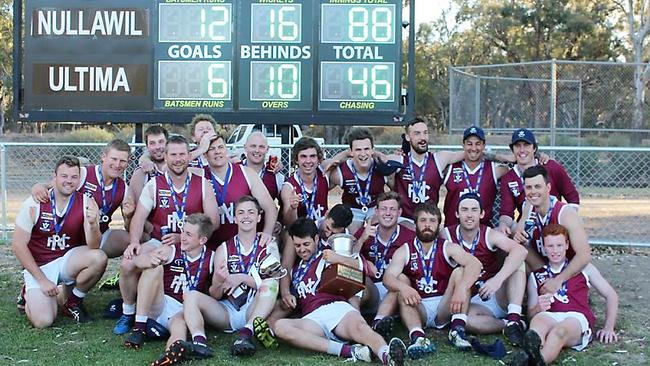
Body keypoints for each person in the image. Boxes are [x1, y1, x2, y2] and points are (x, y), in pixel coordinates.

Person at [113, 135, 219, 335]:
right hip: (159, 241)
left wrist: (183, 237)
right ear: (166, 156)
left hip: (190, 242)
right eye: (173, 154)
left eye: (182, 154)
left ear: (189, 156)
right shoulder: (155, 184)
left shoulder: (202, 183)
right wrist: (134, 242)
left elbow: (213, 221)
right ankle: (128, 312)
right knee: (128, 263)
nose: (178, 159)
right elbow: (138, 217)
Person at [272, 218, 407, 366]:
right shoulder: (295, 269)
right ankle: (349, 351)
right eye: (297, 245)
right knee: (281, 326)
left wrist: (339, 258)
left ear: (316, 239)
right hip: (312, 318)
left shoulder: (327, 255)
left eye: (306, 244)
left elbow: (362, 268)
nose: (302, 249)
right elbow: (284, 273)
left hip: (336, 308)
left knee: (360, 328)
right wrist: (287, 294)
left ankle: (386, 354)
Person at [178, 196, 281, 359]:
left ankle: (246, 335)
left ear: (259, 217)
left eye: (250, 212)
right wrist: (219, 281)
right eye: (241, 212)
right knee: (190, 295)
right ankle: (199, 342)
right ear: (234, 218)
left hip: (255, 309)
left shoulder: (268, 245)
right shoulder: (224, 249)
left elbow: (275, 282)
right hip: (228, 311)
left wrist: (241, 278)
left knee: (271, 284)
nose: (246, 216)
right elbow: (215, 294)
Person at [12, 156, 106, 327]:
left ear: (79, 180)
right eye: (64, 176)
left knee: (99, 257)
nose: (68, 181)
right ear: (54, 177)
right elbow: (18, 245)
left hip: (66, 260)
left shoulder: (86, 202)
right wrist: (41, 280)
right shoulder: (35, 203)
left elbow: (94, 246)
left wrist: (93, 225)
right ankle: (28, 292)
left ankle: (72, 301)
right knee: (44, 321)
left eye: (73, 177)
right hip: (40, 265)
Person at [383, 202, 482, 359]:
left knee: (461, 272)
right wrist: (405, 288)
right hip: (419, 304)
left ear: (438, 225)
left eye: (432, 221)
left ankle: (457, 331)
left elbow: (475, 264)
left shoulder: (448, 246)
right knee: (400, 282)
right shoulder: (405, 249)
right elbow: (387, 277)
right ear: (415, 224)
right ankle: (419, 338)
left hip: (446, 304)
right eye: (423, 220)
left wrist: (462, 289)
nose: (427, 225)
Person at [509, 224, 618, 366]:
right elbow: (531, 314)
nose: (555, 251)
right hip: (550, 315)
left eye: (559, 245)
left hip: (576, 317)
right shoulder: (537, 276)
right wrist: (538, 308)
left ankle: (534, 361)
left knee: (558, 332)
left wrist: (608, 328)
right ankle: (532, 353)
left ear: (567, 245)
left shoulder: (583, 268)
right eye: (550, 246)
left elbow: (611, 295)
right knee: (538, 324)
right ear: (543, 247)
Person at [442, 193, 528, 345]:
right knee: (468, 322)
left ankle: (514, 317)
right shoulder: (446, 235)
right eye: (465, 210)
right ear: (456, 213)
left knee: (517, 262)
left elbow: (521, 251)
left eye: (474, 210)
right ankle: (509, 325)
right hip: (472, 300)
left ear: (482, 213)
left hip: (496, 293)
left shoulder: (489, 234)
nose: (469, 215)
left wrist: (497, 280)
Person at [122, 213, 215, 351]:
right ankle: (139, 328)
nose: (182, 237)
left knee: (180, 328)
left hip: (183, 310)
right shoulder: (171, 250)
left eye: (188, 234)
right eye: (183, 231)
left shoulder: (211, 257)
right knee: (153, 268)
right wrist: (148, 261)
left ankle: (171, 353)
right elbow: (138, 260)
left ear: (202, 240)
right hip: (160, 303)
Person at [31, 139, 134, 258]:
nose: (117, 165)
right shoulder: (84, 174)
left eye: (122, 161)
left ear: (128, 162)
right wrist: (38, 186)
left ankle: (120, 273)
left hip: (98, 235)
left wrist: (129, 216)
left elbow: (128, 227)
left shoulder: (124, 188)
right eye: (114, 159)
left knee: (131, 240)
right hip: (71, 235)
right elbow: (53, 185)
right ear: (103, 157)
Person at [513, 165, 591, 294]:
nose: (533, 192)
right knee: (512, 251)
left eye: (538, 186)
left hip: (566, 268)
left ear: (548, 188)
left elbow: (584, 255)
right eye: (528, 187)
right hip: (544, 265)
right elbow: (520, 234)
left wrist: (558, 280)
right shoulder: (528, 206)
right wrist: (517, 235)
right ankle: (513, 307)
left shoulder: (565, 213)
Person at [353, 192, 415, 339]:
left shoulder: (409, 236)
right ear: (377, 211)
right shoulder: (365, 232)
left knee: (400, 278)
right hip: (372, 291)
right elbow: (349, 258)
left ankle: (377, 323)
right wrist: (361, 240)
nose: (388, 213)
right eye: (384, 209)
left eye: (392, 209)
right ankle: (354, 323)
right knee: (354, 275)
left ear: (399, 212)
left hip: (394, 291)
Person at [383, 117, 465, 227]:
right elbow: (375, 158)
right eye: (417, 134)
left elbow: (470, 153)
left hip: (429, 220)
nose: (423, 138)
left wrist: (495, 157)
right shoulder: (399, 160)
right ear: (408, 137)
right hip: (404, 220)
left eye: (425, 133)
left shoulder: (439, 159)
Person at [199, 133, 278, 248]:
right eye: (211, 149)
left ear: (226, 150)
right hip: (209, 246)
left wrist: (267, 233)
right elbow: (172, 168)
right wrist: (199, 149)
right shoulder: (198, 174)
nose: (217, 152)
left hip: (243, 247)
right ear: (205, 154)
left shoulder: (246, 173)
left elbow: (271, 208)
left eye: (221, 147)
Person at [498, 128, 579, 235]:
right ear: (512, 149)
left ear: (534, 148)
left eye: (526, 145)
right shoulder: (508, 177)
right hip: (528, 228)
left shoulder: (551, 167)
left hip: (554, 228)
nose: (522, 150)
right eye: (517, 146)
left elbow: (573, 198)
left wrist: (566, 223)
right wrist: (503, 224)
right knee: (501, 234)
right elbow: (506, 212)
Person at [442, 126, 510, 227]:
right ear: (463, 145)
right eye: (469, 144)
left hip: (482, 233)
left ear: (483, 145)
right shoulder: (449, 168)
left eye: (478, 144)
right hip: (452, 231)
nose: (473, 148)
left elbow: (517, 165)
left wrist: (492, 156)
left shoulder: (494, 169)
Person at [330, 127, 387, 233]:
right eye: (358, 150)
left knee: (380, 230)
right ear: (350, 152)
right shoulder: (341, 172)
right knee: (353, 237)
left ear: (372, 150)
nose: (363, 154)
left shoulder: (382, 167)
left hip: (375, 207)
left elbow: (398, 189)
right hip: (353, 209)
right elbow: (323, 172)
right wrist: (337, 158)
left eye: (366, 149)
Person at [280, 137, 331, 225]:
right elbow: (289, 224)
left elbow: (338, 160)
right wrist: (292, 208)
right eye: (303, 156)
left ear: (318, 158)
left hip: (322, 229)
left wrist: (347, 153)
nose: (308, 161)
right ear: (296, 159)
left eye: (312, 156)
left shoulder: (324, 175)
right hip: (300, 232)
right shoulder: (289, 187)